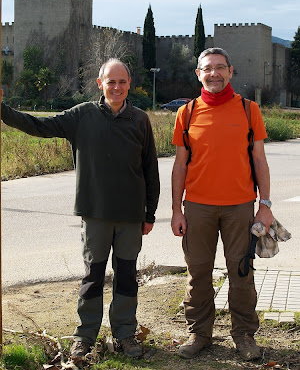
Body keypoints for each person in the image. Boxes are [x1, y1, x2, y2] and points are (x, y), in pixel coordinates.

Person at [1, 58, 160, 359]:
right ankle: (84, 336)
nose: (116, 87)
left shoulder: (140, 119)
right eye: (110, 81)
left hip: (130, 217)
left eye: (122, 81)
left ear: (129, 84)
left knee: (126, 276)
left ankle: (125, 334)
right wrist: (3, 111)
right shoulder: (82, 115)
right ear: (100, 83)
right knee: (93, 277)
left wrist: (150, 213)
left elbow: (150, 169)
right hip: (95, 213)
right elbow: (40, 125)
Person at [171, 48, 274, 361]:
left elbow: (259, 159)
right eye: (207, 69)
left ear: (230, 71)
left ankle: (244, 336)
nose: (213, 73)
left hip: (240, 207)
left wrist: (265, 205)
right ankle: (199, 334)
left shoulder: (248, 109)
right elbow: (180, 165)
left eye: (219, 68)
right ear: (198, 74)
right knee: (198, 274)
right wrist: (176, 210)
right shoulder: (186, 113)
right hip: (197, 207)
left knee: (242, 273)